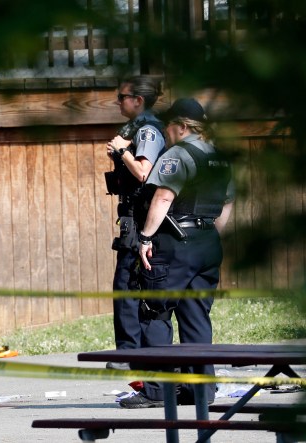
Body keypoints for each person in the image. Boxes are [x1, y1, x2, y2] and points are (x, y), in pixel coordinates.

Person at [119, 98, 234, 409]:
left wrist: (145, 237)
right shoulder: (220, 158)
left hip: (174, 242)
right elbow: (226, 205)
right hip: (208, 241)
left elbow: (163, 196)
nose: (166, 133)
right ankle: (201, 390)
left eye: (169, 127)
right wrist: (208, 237)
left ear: (182, 126)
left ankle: (157, 389)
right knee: (196, 315)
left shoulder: (179, 154)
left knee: (155, 310)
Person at [104, 76, 166, 370]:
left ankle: (130, 353)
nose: (118, 101)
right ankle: (134, 352)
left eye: (122, 96)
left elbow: (144, 172)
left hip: (141, 217)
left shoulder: (149, 130)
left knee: (127, 283)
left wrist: (122, 152)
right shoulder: (137, 128)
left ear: (138, 100)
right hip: (134, 214)